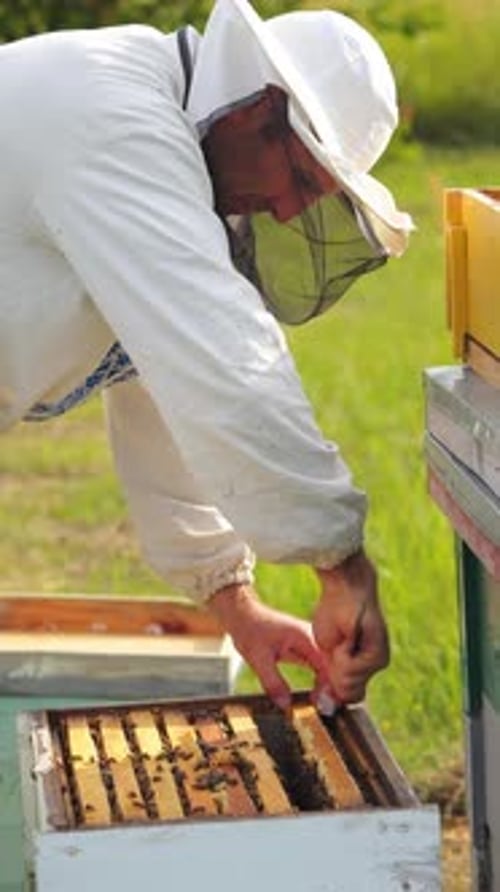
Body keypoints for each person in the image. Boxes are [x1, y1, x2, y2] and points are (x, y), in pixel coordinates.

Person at [0, 0, 413, 713]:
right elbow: (227, 367)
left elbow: (162, 379)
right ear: (259, 109)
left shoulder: (162, 150)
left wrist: (232, 599)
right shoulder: (116, 119)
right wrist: (341, 564)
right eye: (305, 179)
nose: (288, 212)